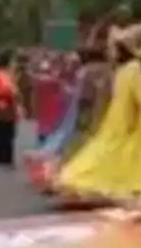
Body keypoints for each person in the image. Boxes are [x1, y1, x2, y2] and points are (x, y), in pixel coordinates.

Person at [52, 23, 141, 205]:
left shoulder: (134, 69)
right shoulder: (123, 70)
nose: (112, 52)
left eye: (115, 48)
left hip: (128, 123)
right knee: (104, 150)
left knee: (113, 153)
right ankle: (77, 179)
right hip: (116, 122)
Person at [25, 43, 112, 192]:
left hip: (87, 112)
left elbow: (84, 95)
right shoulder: (109, 71)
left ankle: (65, 176)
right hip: (106, 111)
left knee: (75, 144)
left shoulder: (86, 72)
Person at [0, 52, 19, 165]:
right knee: (6, 135)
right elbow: (11, 92)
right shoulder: (4, 75)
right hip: (4, 108)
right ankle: (5, 159)